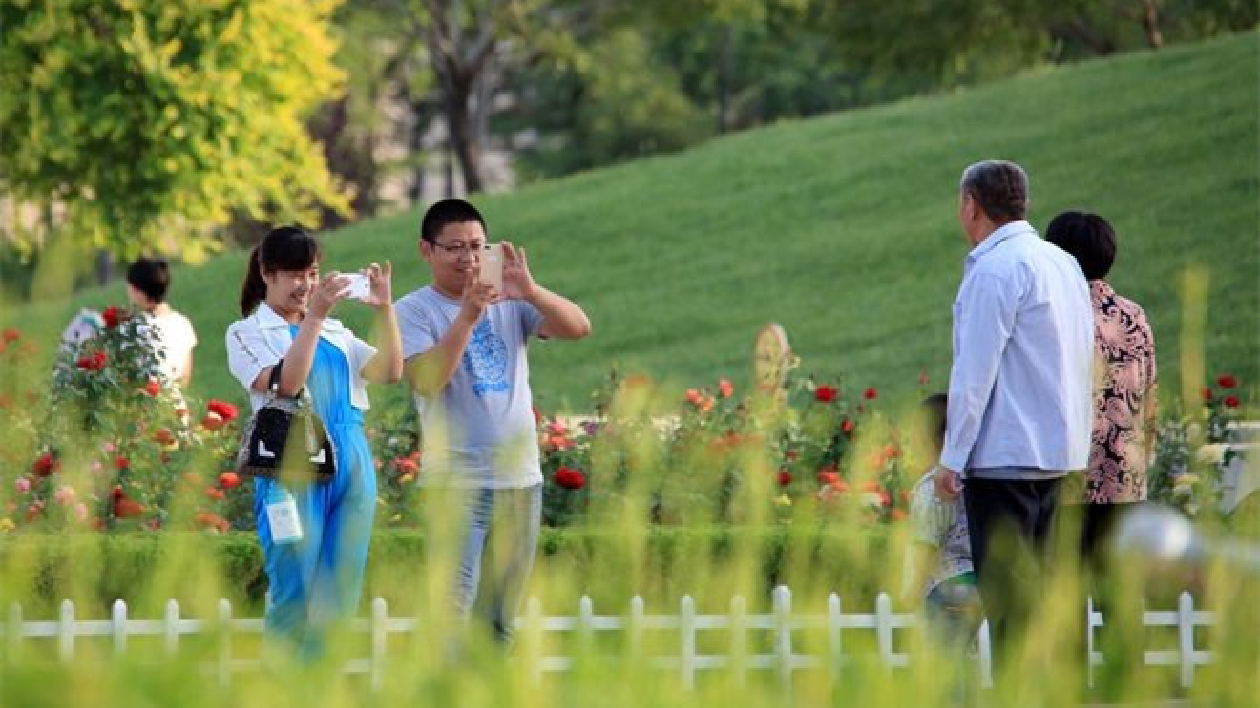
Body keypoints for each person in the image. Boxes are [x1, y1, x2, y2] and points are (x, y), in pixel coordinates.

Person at [395, 198, 591, 646]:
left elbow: (579, 328)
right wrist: (467, 315)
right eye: (455, 248)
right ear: (427, 251)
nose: (468, 259)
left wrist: (532, 291)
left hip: (520, 481)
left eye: (478, 246)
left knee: (501, 622)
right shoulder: (414, 310)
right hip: (456, 484)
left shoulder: (511, 300)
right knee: (451, 617)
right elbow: (427, 381)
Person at [933, 160, 1094, 656]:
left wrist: (951, 457)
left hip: (1005, 453)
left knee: (1008, 598)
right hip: (1058, 450)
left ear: (971, 205)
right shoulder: (1061, 262)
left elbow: (973, 374)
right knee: (1043, 589)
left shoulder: (995, 269)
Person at [225, 225, 403, 656]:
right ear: (268, 274)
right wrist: (315, 317)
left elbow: (391, 372)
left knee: (340, 592)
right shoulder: (246, 333)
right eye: (295, 274)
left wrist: (385, 310)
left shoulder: (337, 333)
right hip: (289, 461)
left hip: (351, 458)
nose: (305, 285)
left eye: (312, 273)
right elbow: (287, 384)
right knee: (295, 588)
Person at [1045, 210, 1158, 562]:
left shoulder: (1052, 315)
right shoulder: (1133, 315)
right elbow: (1149, 391)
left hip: (1068, 475)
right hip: (1125, 472)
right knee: (1120, 592)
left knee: (1066, 592)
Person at [907, 394, 981, 646]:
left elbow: (926, 544)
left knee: (945, 667)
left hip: (946, 585)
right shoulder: (973, 482)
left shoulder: (931, 489)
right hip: (979, 580)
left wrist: (912, 589)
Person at [126, 258, 198, 389]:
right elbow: (185, 376)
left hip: (142, 404)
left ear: (138, 291)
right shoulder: (183, 324)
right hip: (175, 402)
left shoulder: (132, 328)